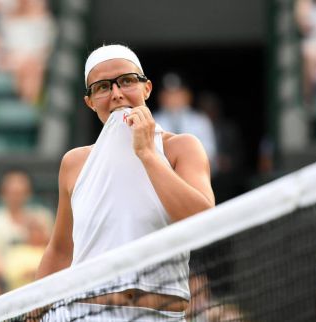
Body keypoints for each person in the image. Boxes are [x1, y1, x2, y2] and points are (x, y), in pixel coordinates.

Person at [35, 44, 215, 321]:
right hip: (81, 314)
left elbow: (203, 224)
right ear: (90, 102)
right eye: (103, 87)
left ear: (147, 89)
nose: (117, 94)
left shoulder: (182, 147)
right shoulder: (74, 163)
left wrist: (147, 154)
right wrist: (33, 309)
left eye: (127, 81)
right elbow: (60, 251)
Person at [154, 72, 217, 172]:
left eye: (177, 93)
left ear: (187, 95)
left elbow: (210, 152)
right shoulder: (153, 120)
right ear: (161, 97)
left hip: (196, 173)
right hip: (163, 175)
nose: (173, 98)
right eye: (168, 94)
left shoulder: (200, 120)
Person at [0, 169, 53, 259]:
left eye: (20, 192)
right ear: (2, 192)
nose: (16, 196)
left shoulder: (43, 216)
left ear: (29, 192)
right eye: (12, 192)